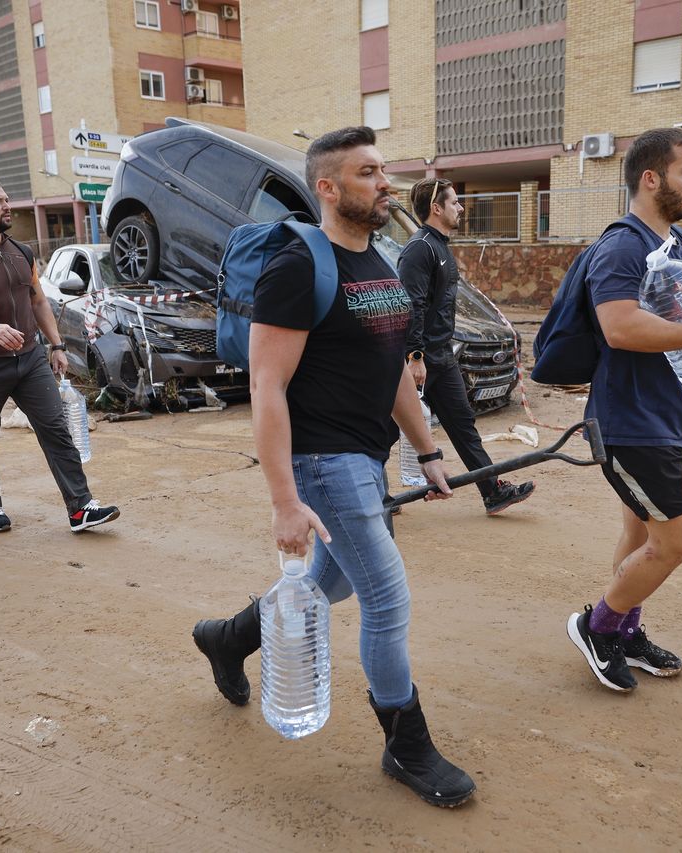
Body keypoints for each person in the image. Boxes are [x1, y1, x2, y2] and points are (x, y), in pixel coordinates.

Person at [191, 127, 476, 808]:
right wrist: (284, 499)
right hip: (322, 463)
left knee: (329, 585)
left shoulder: (378, 262)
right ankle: (406, 744)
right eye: (368, 171)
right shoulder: (298, 266)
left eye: (383, 170)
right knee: (386, 597)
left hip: (366, 458)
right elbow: (265, 385)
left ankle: (226, 639)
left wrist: (429, 453)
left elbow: (397, 372)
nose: (385, 183)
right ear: (329, 187)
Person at [565, 128, 682, 693]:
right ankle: (599, 626)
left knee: (641, 535)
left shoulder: (678, 244)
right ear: (651, 177)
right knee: (676, 540)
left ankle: (624, 632)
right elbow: (620, 327)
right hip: (630, 423)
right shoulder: (621, 246)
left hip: (668, 413)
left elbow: (681, 317)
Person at [0, 178, 119, 534]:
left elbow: (37, 301)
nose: (7, 207)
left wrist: (57, 344)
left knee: (55, 428)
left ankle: (80, 508)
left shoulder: (22, 252)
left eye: (7, 200)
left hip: (30, 358)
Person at [399, 178, 535, 515]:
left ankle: (492, 491)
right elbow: (411, 305)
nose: (461, 208)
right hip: (421, 360)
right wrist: (414, 356)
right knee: (385, 427)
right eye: (455, 202)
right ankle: (369, 494)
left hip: (442, 358)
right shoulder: (420, 249)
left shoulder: (440, 247)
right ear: (436, 208)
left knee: (463, 426)